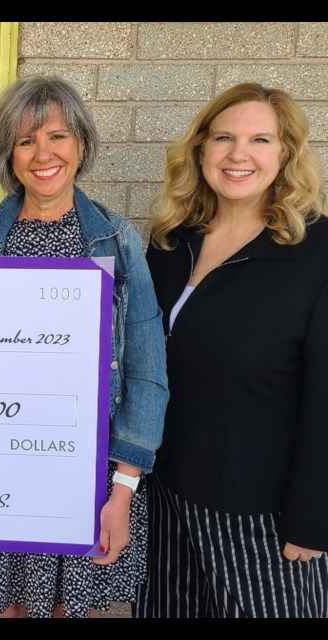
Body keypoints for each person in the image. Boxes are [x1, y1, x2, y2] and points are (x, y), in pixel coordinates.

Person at [0, 75, 169, 618]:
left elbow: (146, 368)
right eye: (25, 141)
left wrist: (123, 490)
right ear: (9, 156)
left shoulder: (116, 241)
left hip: (88, 476)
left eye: (58, 136)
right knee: (8, 609)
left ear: (81, 144)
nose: (43, 154)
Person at [134, 83, 328, 618]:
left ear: (286, 154)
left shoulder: (316, 253)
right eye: (224, 138)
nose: (239, 154)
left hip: (260, 511)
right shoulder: (172, 242)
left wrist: (314, 517)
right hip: (165, 494)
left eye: (260, 139)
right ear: (200, 150)